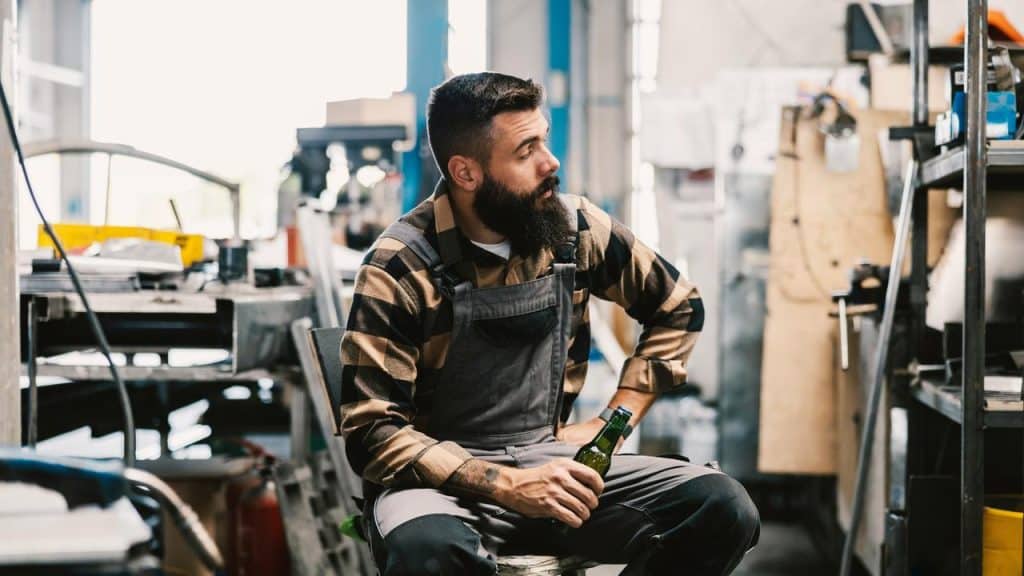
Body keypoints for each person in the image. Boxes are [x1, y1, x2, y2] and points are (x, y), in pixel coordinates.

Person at [339, 72, 760, 576]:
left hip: (549, 460)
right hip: (437, 488)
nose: (550, 162)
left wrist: (614, 421)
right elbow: (372, 433)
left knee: (721, 508)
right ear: (466, 172)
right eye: (526, 151)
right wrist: (505, 484)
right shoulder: (400, 265)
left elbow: (678, 305)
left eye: (544, 140)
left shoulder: (575, 230)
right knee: (429, 553)